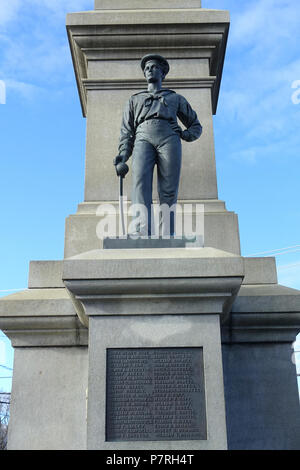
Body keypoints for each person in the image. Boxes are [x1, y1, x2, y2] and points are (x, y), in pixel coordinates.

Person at [114, 54, 202, 236]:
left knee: (169, 187)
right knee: (140, 184)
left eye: (153, 67)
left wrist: (185, 134)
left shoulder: (175, 98)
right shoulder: (134, 100)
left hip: (169, 138)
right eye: (146, 68)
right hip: (142, 138)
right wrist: (123, 153)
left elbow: (196, 125)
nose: (149, 70)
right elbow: (127, 131)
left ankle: (167, 232)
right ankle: (141, 230)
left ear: (163, 73)